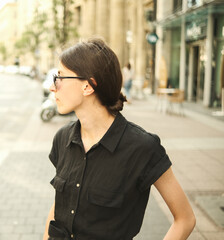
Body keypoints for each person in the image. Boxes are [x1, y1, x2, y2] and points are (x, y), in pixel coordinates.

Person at [43, 38, 195, 240]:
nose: (53, 87)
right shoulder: (63, 138)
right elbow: (59, 207)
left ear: (88, 86)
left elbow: (185, 219)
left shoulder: (142, 147)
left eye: (60, 78)